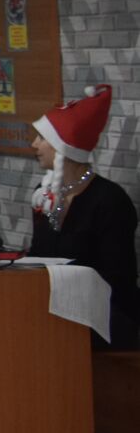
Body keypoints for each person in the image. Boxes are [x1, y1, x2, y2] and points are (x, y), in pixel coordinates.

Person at [29, 84, 137, 349]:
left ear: (63, 148)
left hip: (103, 320)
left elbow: (119, 278)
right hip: (53, 314)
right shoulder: (43, 194)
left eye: (42, 138)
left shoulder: (109, 200)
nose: (34, 145)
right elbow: (38, 255)